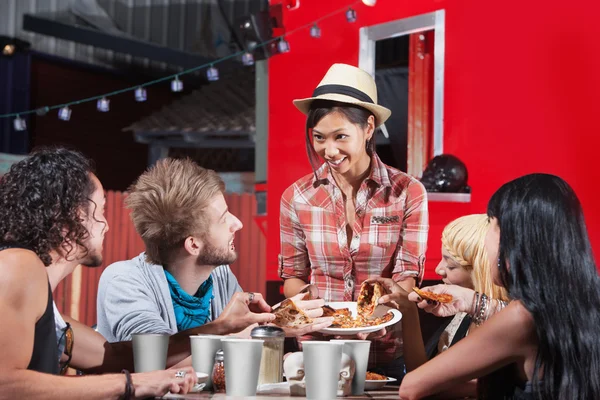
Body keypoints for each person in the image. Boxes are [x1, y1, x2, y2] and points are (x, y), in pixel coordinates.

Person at [0, 148, 197, 398]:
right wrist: (132, 384)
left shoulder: (46, 312)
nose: (106, 225)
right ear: (75, 214)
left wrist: (224, 328)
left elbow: (115, 356)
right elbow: (4, 385)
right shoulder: (18, 266)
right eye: (101, 210)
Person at [279, 63, 429, 379]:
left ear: (369, 128)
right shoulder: (297, 197)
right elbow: (292, 276)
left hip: (384, 349)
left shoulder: (406, 192)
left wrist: (372, 316)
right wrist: (313, 309)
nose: (328, 150)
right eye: (319, 137)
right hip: (318, 349)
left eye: (340, 136)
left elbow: (407, 275)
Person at [97, 158, 331, 352]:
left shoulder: (220, 277)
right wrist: (267, 330)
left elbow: (238, 352)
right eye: (224, 218)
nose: (237, 223)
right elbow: (152, 360)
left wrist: (276, 318)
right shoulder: (124, 281)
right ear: (193, 245)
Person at [398, 174, 600, 399]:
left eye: (492, 225)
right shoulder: (582, 307)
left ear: (512, 240)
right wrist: (472, 302)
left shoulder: (522, 318)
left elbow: (412, 387)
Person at [369, 214, 509, 398]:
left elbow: (420, 385)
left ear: (479, 270)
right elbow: (419, 372)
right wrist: (408, 309)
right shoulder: (462, 315)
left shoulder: (505, 325)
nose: (438, 269)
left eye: (451, 266)